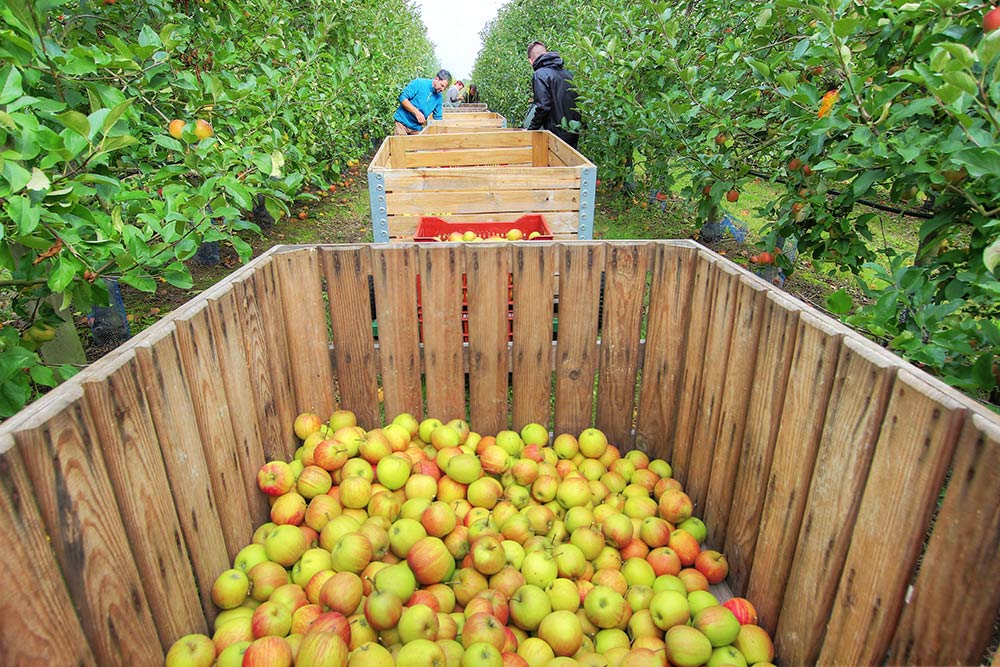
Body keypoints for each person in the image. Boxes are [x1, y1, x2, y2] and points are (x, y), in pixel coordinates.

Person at [525, 41, 581, 148]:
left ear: (530, 60)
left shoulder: (540, 75)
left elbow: (543, 106)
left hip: (555, 136)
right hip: (573, 133)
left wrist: (532, 129)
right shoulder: (568, 74)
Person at [394, 69, 451, 135]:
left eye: (444, 88)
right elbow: (402, 98)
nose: (442, 89)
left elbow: (438, 117)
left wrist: (441, 132)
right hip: (402, 123)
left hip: (416, 128)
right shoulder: (419, 83)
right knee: (400, 141)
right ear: (436, 79)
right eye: (442, 85)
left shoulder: (439, 97)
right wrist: (416, 112)